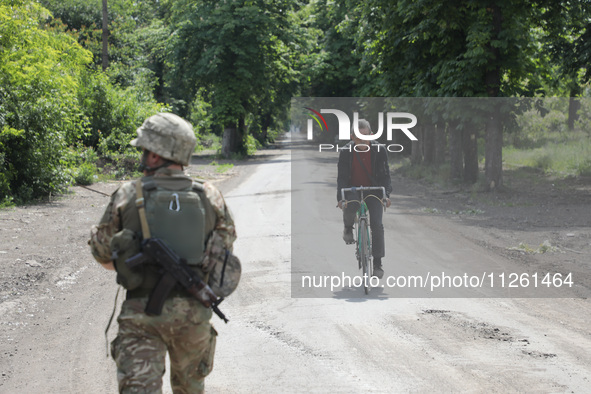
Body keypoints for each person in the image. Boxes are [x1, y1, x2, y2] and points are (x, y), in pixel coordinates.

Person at [89, 112, 236, 393]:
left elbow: (104, 257)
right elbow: (223, 255)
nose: (143, 156)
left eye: (145, 150)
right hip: (193, 318)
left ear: (155, 156)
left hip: (141, 318)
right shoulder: (210, 195)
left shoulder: (126, 194)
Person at [337, 119, 392, 279]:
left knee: (377, 224)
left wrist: (386, 195)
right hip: (352, 189)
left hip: (374, 190)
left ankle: (377, 263)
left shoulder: (379, 150)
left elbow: (386, 176)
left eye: (365, 136)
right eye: (358, 138)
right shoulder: (346, 151)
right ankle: (348, 227)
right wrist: (340, 198)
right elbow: (341, 177)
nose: (362, 141)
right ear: (352, 137)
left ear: (371, 135)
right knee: (349, 206)